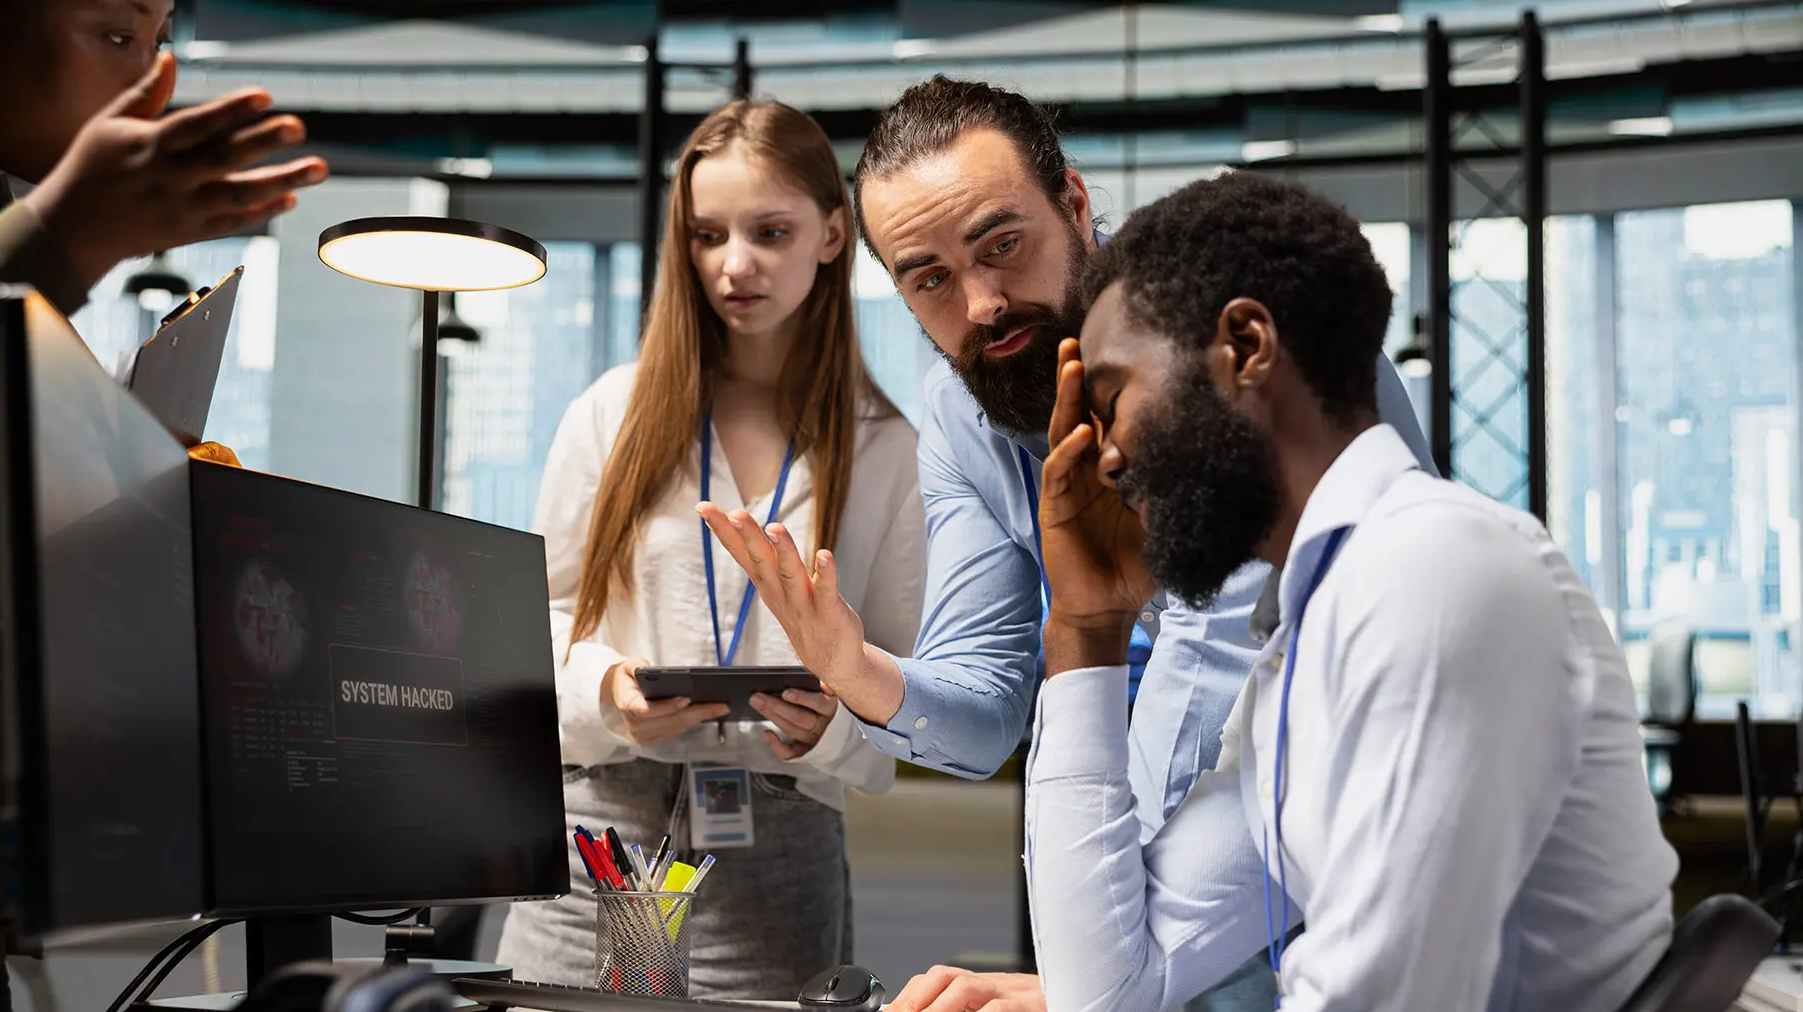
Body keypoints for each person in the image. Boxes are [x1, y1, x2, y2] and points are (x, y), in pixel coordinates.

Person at [697, 77, 1432, 1012]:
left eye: (1003, 246)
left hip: (1356, 826)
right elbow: (988, 688)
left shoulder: (1216, 345)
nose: (985, 303)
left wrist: (1093, 975)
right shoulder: (961, 412)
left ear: (1076, 205)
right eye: (929, 279)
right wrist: (859, 669)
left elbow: (1217, 671)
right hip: (1197, 883)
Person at [1023, 172, 1676, 1010]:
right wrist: (1087, 628)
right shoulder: (1295, 658)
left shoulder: (1435, 571)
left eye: (1114, 398)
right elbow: (1105, 991)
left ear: (1247, 346)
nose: (1105, 456)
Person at [0, 0, 326, 985]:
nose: (144, 84)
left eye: (162, 41)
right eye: (116, 34)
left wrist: (136, 467)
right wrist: (62, 236)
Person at [494, 100, 924, 999]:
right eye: (707, 234)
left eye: (771, 231)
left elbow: (909, 679)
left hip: (777, 834)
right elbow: (529, 624)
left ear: (835, 233)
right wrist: (609, 691)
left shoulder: (887, 448)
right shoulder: (612, 414)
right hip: (600, 830)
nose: (735, 264)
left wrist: (833, 726)